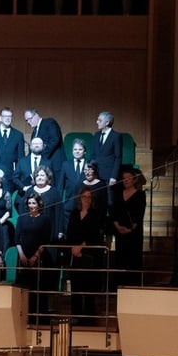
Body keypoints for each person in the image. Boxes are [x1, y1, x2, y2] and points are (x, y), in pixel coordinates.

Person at [67, 187, 107, 324]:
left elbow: (95, 235)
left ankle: (89, 317)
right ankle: (76, 315)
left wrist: (82, 246)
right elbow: (70, 232)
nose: (87, 200)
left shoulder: (95, 215)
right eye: (84, 197)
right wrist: (73, 247)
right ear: (80, 198)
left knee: (89, 286)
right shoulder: (74, 213)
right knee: (76, 287)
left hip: (89, 254)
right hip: (75, 254)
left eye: (89, 197)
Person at [15, 192, 53, 323]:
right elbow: (17, 239)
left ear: (39, 204)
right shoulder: (21, 218)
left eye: (34, 203)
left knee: (38, 288)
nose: (32, 205)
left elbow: (46, 240)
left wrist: (35, 256)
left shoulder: (45, 219)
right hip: (23, 257)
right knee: (24, 288)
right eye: (30, 203)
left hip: (39, 257)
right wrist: (22, 255)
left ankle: (39, 317)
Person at [111, 166, 147, 286]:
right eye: (123, 178)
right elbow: (114, 211)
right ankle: (119, 286)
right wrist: (117, 226)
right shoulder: (118, 193)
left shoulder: (140, 195)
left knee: (133, 259)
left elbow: (139, 214)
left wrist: (131, 228)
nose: (125, 180)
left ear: (134, 179)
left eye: (128, 178)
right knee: (120, 259)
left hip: (134, 234)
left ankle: (133, 287)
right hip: (120, 232)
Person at [0, 106, 26, 172]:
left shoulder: (18, 135)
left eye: (10, 116)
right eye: (5, 116)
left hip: (11, 174)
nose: (8, 118)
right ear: (0, 118)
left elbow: (21, 157)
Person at [91, 111, 123, 186]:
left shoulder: (116, 136)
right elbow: (93, 155)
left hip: (109, 176)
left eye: (100, 120)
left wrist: (114, 176)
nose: (97, 122)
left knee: (109, 197)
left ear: (107, 123)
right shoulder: (96, 135)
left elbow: (118, 158)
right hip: (96, 176)